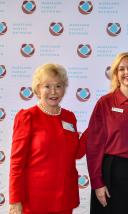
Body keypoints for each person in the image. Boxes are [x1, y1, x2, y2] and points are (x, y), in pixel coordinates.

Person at [9, 63, 86, 214]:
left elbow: (76, 153)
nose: (53, 91)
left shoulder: (69, 117)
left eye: (58, 86)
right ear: (38, 89)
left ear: (64, 89)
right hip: (35, 201)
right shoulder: (27, 117)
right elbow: (16, 162)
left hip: (65, 199)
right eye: (47, 86)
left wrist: (96, 128)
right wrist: (15, 200)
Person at [86, 52, 128, 214]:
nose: (127, 72)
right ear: (116, 75)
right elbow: (94, 146)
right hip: (110, 174)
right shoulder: (105, 103)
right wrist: (97, 183)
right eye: (121, 69)